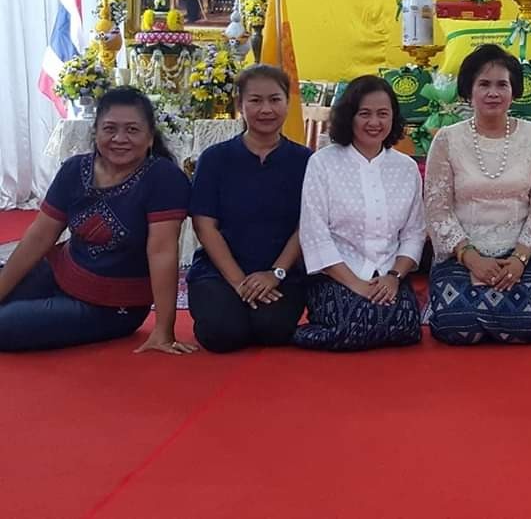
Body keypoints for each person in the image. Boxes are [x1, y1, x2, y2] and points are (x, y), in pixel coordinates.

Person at [0, 87, 195, 354]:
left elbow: (162, 253)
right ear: (96, 133)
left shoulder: (164, 178)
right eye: (110, 129)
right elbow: (39, 237)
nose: (120, 138)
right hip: (60, 272)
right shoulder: (74, 169)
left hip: (112, 305)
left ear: (150, 137)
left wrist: (164, 330)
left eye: (132, 130)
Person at [425, 44, 531, 345]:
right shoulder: (447, 139)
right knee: (455, 326)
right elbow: (437, 209)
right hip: (462, 255)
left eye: (502, 84)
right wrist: (471, 257)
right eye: (484, 84)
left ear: (514, 91)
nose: (493, 93)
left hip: (520, 255)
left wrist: (519, 259)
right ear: (469, 90)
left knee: (526, 323)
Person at [186, 65, 312, 353]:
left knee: (273, 329)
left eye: (275, 99)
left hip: (281, 272)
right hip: (220, 271)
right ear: (240, 105)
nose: (266, 109)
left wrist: (275, 273)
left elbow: (306, 225)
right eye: (255, 100)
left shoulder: (305, 160)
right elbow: (204, 225)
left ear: (287, 103)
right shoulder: (215, 159)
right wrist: (239, 282)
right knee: (222, 334)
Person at [295, 76, 424, 351]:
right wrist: (356, 284)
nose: (374, 122)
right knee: (353, 324)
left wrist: (394, 277)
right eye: (364, 114)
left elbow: (414, 233)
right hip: (336, 274)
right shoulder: (322, 163)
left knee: (406, 325)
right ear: (349, 116)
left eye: (382, 114)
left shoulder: (406, 168)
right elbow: (314, 233)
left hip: (389, 274)